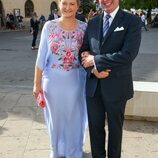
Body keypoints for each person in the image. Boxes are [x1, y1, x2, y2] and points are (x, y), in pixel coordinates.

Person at [79, 0, 142, 158]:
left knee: (115, 131)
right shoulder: (92, 22)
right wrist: (93, 69)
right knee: (95, 130)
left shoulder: (132, 21)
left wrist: (96, 61)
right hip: (94, 87)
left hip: (117, 87)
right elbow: (84, 51)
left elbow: (128, 54)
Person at [33, 0, 87, 157]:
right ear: (59, 5)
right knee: (55, 120)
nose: (68, 8)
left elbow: (89, 53)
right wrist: (36, 84)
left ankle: (74, 152)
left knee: (74, 118)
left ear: (77, 6)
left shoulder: (85, 28)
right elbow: (41, 57)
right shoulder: (49, 27)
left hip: (77, 82)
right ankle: (57, 151)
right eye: (64, 3)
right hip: (53, 83)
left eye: (72, 4)